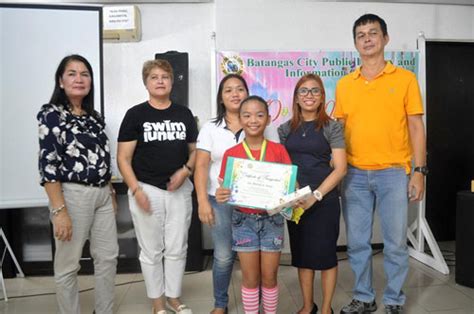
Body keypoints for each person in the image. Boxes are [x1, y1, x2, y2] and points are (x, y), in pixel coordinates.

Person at [335, 14, 427, 314]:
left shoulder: (405, 80)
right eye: (361, 35)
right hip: (354, 175)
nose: (367, 38)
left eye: (373, 33)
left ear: (385, 38)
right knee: (358, 244)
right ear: (355, 44)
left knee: (396, 243)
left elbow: (416, 127)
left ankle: (393, 300)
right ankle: (364, 296)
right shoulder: (345, 85)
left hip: (393, 173)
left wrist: (419, 171)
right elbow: (338, 131)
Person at [37, 54, 118, 314]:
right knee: (68, 265)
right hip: (72, 196)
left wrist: (111, 191)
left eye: (85, 74)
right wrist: (59, 211)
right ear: (61, 81)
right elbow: (48, 165)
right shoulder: (51, 114)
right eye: (72, 73)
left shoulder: (94, 117)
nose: (79, 79)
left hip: (103, 195)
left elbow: (102, 158)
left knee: (107, 258)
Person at [117, 59, 197, 314]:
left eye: (165, 76)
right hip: (146, 189)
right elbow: (123, 158)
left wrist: (185, 171)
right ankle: (157, 303)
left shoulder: (183, 113)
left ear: (172, 82)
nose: (160, 81)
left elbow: (195, 151)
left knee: (177, 247)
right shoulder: (135, 114)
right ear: (146, 82)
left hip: (179, 190)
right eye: (154, 77)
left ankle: (173, 297)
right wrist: (136, 190)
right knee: (151, 250)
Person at [194, 74, 280, 314]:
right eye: (228, 90)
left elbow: (274, 162)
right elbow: (201, 165)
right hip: (220, 200)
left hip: (258, 204)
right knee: (223, 256)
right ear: (221, 98)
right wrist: (202, 200)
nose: (234, 94)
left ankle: (263, 303)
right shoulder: (211, 128)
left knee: (258, 262)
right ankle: (220, 303)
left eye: (239, 89)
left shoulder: (261, 124)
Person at [278, 74, 347, 314]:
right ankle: (308, 306)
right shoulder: (285, 129)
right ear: (296, 98)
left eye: (315, 91)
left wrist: (315, 196)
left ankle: (326, 308)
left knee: (327, 255)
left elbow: (340, 168)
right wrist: (296, 193)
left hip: (324, 200)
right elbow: (286, 165)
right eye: (304, 91)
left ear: (322, 97)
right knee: (303, 255)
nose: (309, 95)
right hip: (296, 201)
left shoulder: (332, 127)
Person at [216, 96, 291, 314]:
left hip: (273, 220)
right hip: (243, 220)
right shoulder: (232, 155)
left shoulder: (278, 151)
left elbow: (290, 185)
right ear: (239, 119)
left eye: (260, 115)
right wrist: (222, 194)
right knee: (250, 279)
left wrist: (292, 193)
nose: (253, 120)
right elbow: (225, 191)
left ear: (268, 119)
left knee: (269, 277)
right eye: (246, 115)